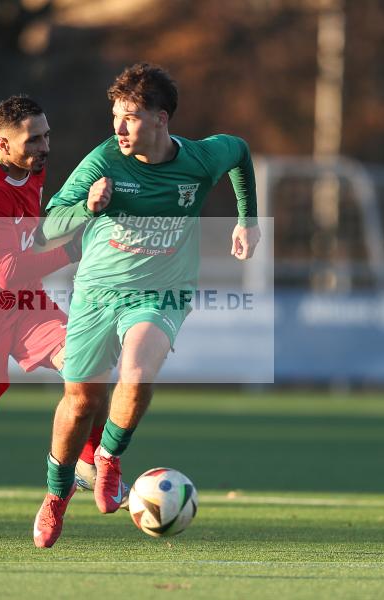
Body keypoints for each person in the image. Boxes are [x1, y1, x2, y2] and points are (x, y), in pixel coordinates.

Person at [32, 64, 261, 548]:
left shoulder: (200, 159)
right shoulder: (103, 161)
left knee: (136, 375)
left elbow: (239, 151)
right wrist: (87, 208)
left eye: (130, 117)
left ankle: (108, 458)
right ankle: (56, 496)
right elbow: (46, 229)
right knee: (81, 402)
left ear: (161, 119)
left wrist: (247, 219)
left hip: (161, 294)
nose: (118, 127)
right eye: (115, 116)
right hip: (96, 293)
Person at [0, 95, 104, 536]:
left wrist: (87, 211)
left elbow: (34, 237)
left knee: (89, 362)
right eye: (33, 140)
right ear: (3, 144)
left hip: (26, 305)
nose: (44, 147)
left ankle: (90, 464)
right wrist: (74, 249)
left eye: (46, 136)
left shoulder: (32, 169)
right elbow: (8, 272)